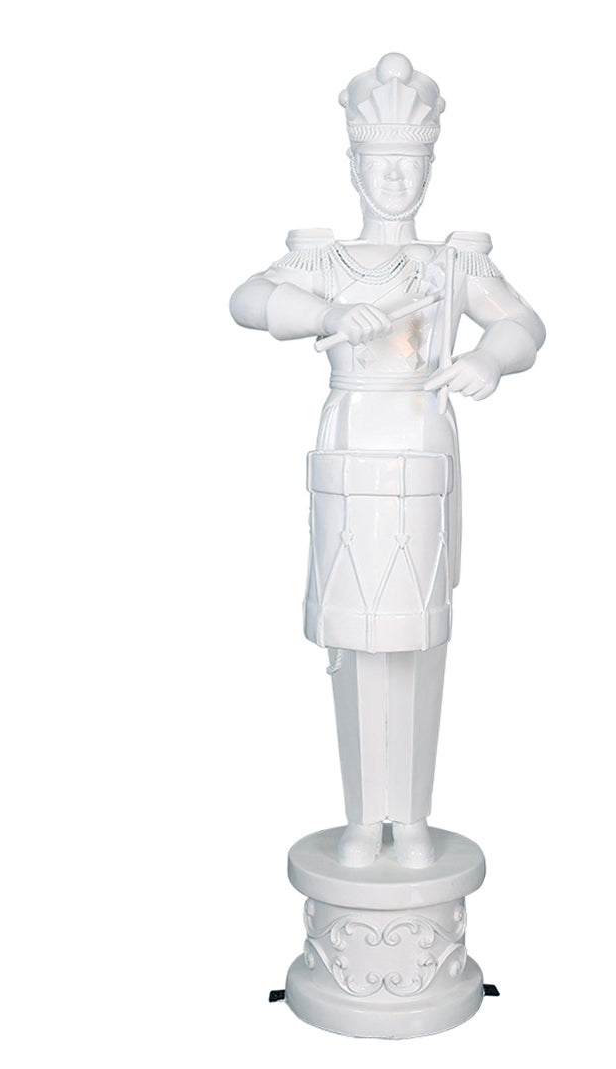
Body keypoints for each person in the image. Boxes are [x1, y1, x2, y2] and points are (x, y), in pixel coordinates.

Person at [230, 53, 545, 868]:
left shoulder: (454, 263)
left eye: (410, 163)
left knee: (416, 640)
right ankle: (362, 819)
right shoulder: (324, 260)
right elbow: (247, 300)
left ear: (429, 167)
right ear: (355, 165)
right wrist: (328, 314)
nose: (396, 179)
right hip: (349, 448)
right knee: (354, 642)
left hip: (420, 446)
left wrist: (489, 359)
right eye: (381, 164)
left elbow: (521, 324)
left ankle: (410, 819)